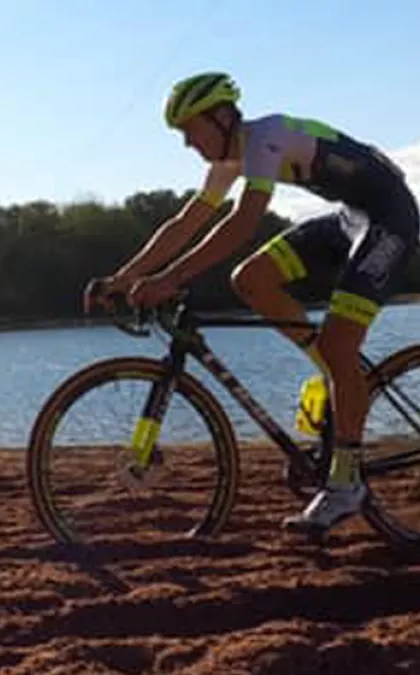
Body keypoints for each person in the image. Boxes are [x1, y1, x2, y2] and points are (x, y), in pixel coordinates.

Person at [83, 71, 419, 535]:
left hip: (391, 218)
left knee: (342, 341)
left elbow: (243, 223)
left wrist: (171, 279)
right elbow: (187, 221)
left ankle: (346, 482)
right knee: (252, 279)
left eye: (190, 130)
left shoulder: (265, 138)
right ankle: (335, 375)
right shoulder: (228, 159)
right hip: (349, 218)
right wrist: (127, 277)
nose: (187, 143)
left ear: (222, 118)